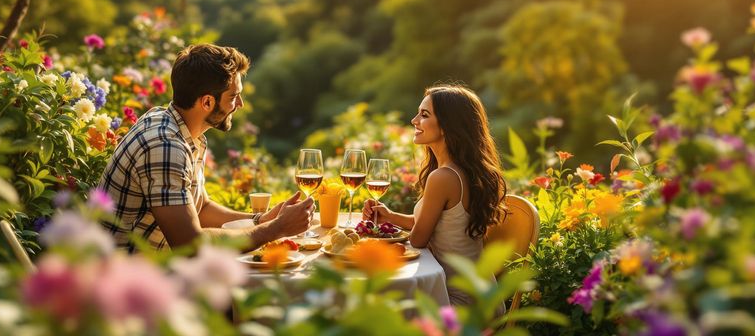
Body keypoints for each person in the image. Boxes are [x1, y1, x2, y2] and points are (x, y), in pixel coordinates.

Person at [99, 43, 313, 253]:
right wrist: (276, 228)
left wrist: (260, 220)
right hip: (121, 277)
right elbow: (191, 246)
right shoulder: (165, 145)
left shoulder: (181, 130)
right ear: (207, 102)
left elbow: (200, 209)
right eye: (233, 96)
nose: (240, 104)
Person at [363, 84, 507, 307]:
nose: (414, 120)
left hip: (462, 303)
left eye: (424, 115)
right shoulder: (461, 170)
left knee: (379, 305)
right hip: (481, 293)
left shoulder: (444, 177)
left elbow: (419, 238)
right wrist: (390, 216)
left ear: (448, 126)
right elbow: (440, 227)